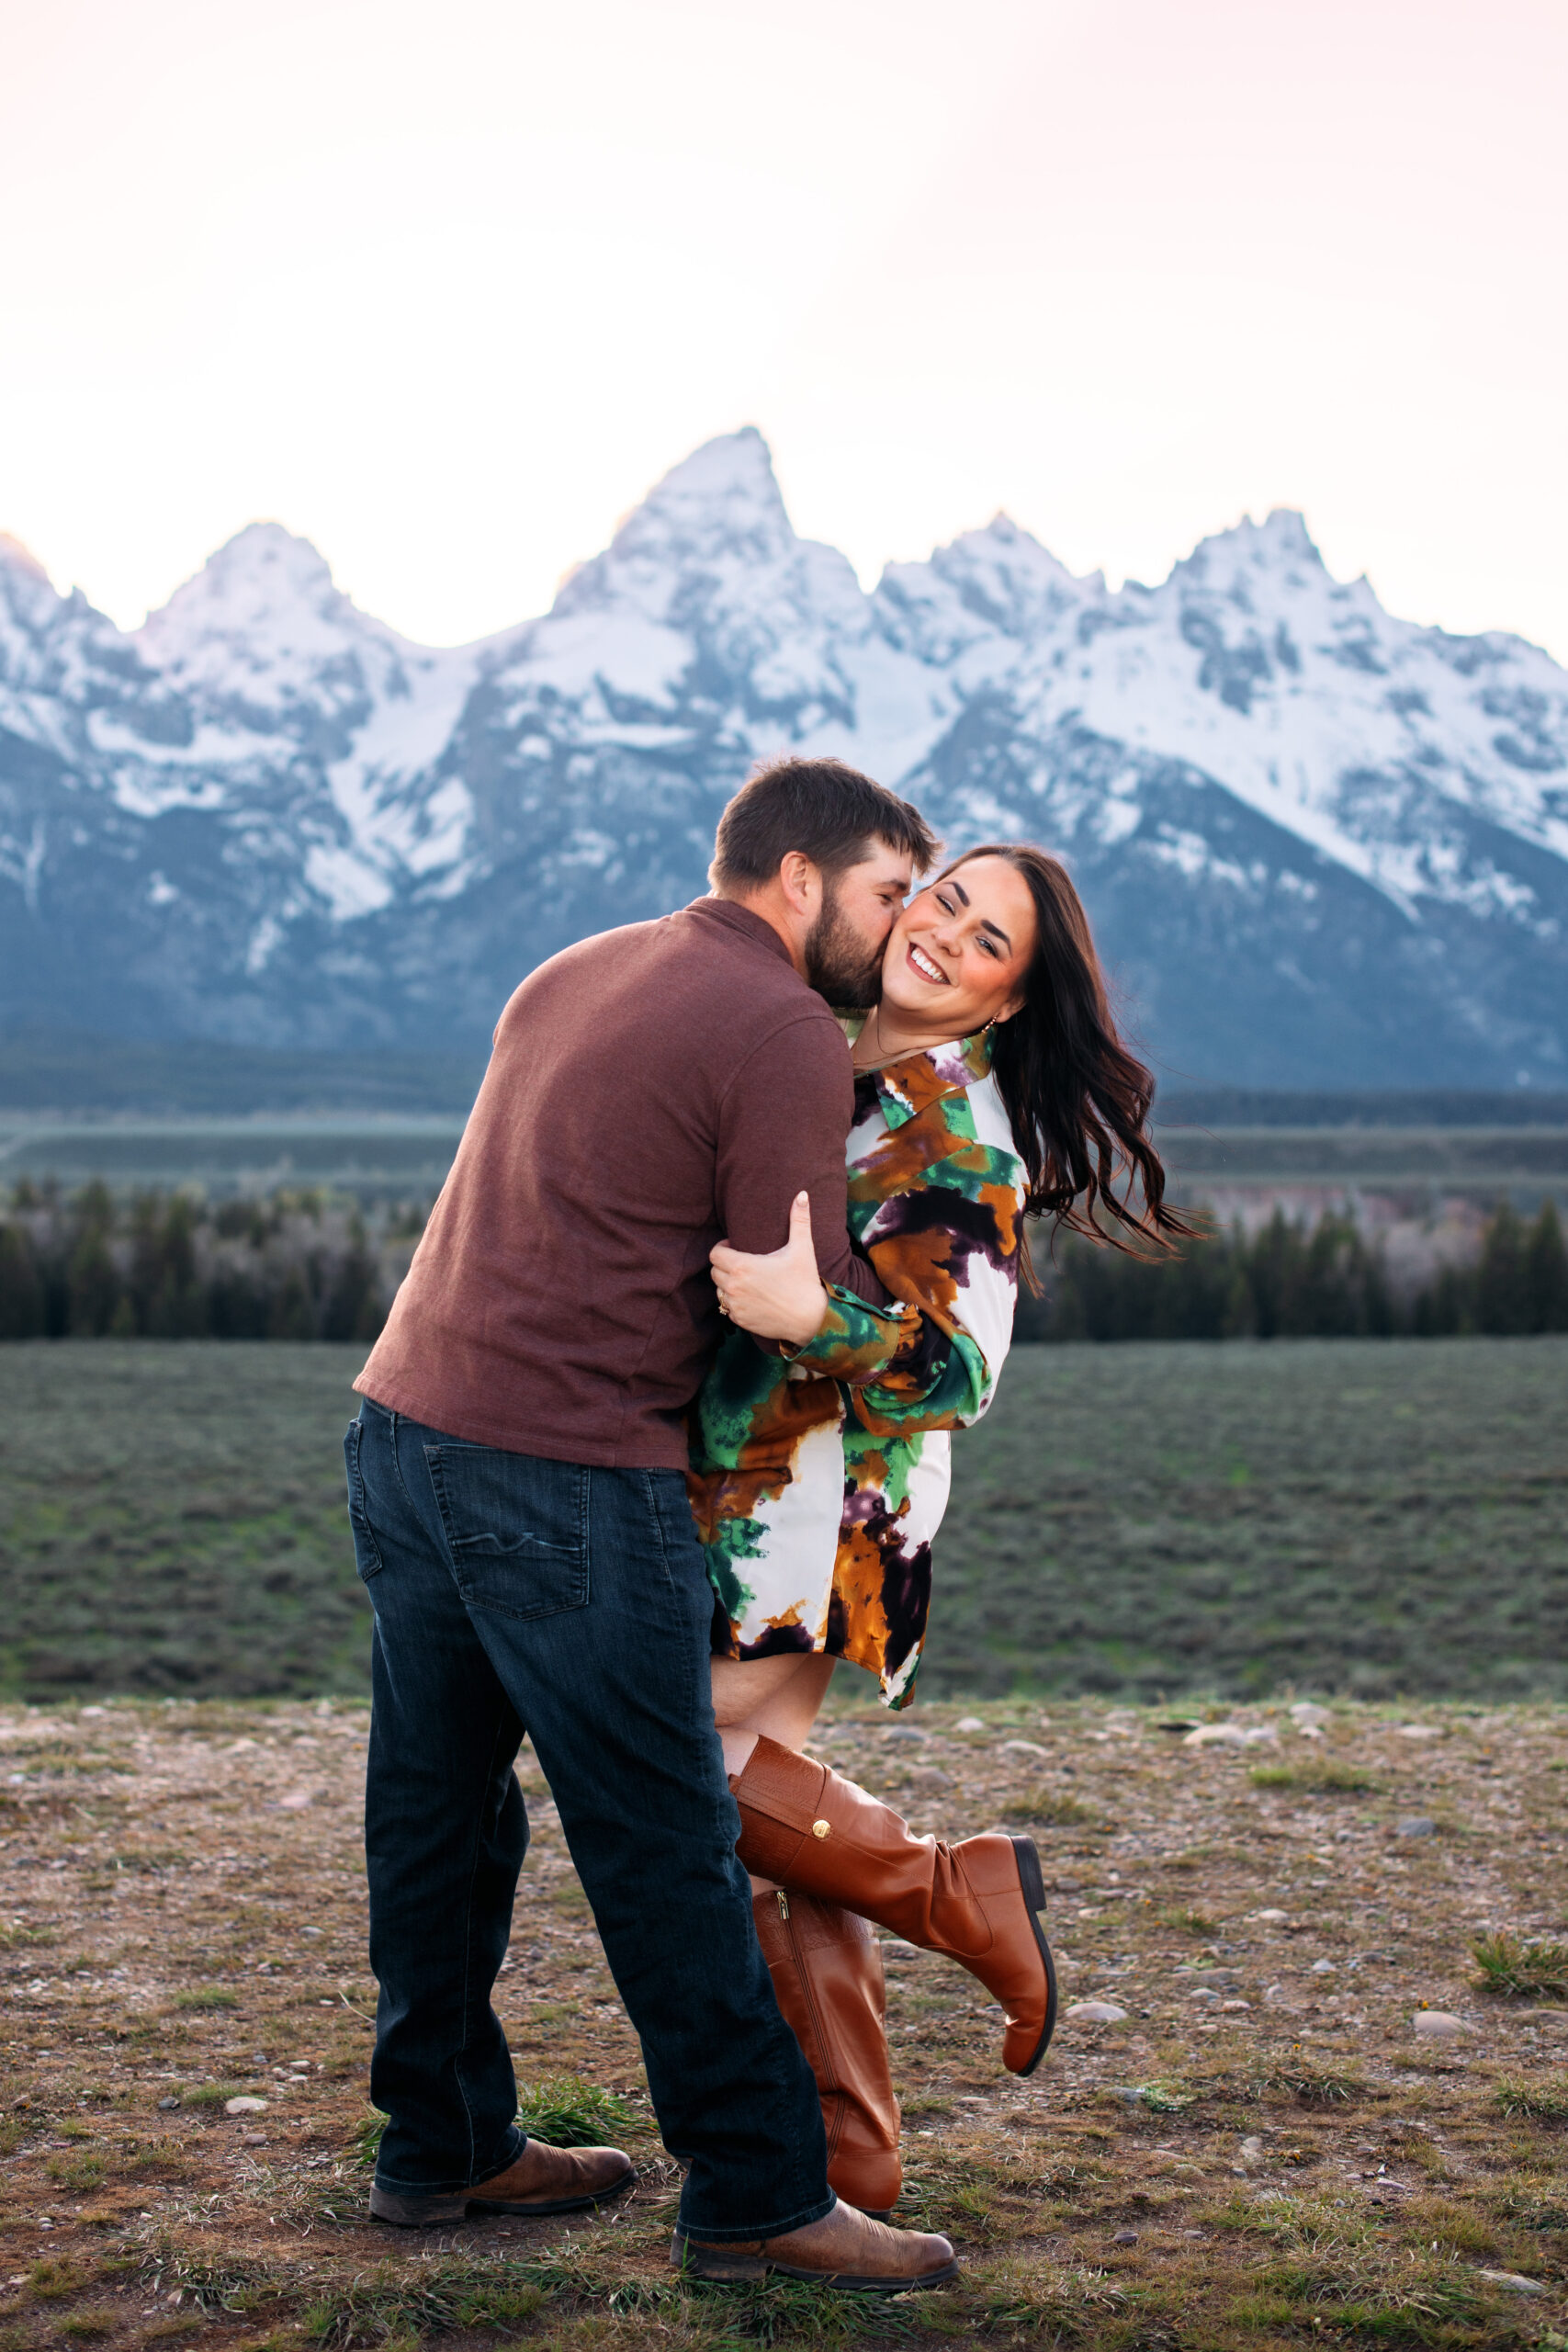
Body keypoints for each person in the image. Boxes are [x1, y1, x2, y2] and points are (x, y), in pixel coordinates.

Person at [342, 755, 964, 2293]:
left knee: (437, 1803)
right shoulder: (779, 1031)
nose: (897, 935)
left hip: (403, 1429)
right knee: (663, 1834)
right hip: (561, 1469)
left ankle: (440, 2147)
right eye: (890, 894)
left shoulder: (579, 964)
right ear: (804, 879)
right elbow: (782, 1296)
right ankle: (758, 2193)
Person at [687, 842, 1190, 2216]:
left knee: (689, 1778)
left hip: (821, 1505)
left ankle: (953, 1896)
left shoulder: (957, 1136)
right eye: (946, 902)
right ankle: (854, 2144)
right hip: (745, 1489)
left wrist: (811, 1318)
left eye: (987, 944)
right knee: (769, 1818)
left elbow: (959, 1372)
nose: (945, 937)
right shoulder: (828, 1054)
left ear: (1010, 1001)